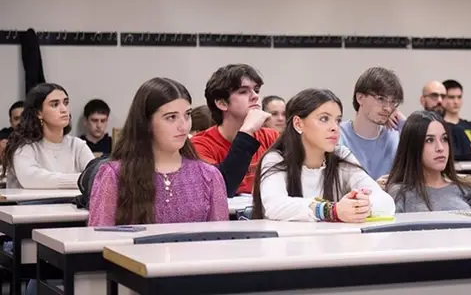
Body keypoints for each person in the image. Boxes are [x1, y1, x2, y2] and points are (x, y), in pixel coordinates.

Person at [88, 78, 228, 226]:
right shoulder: (115, 175)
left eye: (187, 115)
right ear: (146, 123)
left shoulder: (209, 176)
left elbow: (221, 242)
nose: (183, 126)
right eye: (171, 117)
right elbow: (100, 240)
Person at [252, 88, 395, 221]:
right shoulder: (275, 158)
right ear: (298, 124)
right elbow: (275, 206)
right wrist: (331, 210)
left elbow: (386, 202)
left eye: (337, 120)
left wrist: (363, 205)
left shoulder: (341, 155)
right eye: (324, 119)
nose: (334, 127)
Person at [192, 64, 279, 196]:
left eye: (256, 90)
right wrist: (246, 132)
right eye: (243, 92)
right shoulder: (200, 145)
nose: (255, 96)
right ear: (222, 103)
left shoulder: (271, 137)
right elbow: (222, 189)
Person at [0, 84, 94, 189]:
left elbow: (97, 176)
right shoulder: (24, 146)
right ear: (38, 113)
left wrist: (86, 179)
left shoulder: (77, 145)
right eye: (55, 104)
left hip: (71, 204)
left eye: (66, 103)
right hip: (28, 205)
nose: (64, 109)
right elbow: (31, 179)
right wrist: (82, 180)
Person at [385, 111, 471, 212]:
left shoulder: (466, 189)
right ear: (413, 146)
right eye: (429, 140)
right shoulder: (400, 193)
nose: (440, 148)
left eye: (444, 139)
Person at [339, 67, 404, 179]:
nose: (388, 108)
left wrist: (404, 125)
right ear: (360, 98)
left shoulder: (395, 136)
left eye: (393, 102)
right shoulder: (338, 134)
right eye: (380, 99)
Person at [420, 81, 471, 162]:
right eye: (434, 96)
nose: (440, 100)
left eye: (443, 96)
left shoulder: (457, 131)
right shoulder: (414, 127)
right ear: (422, 100)